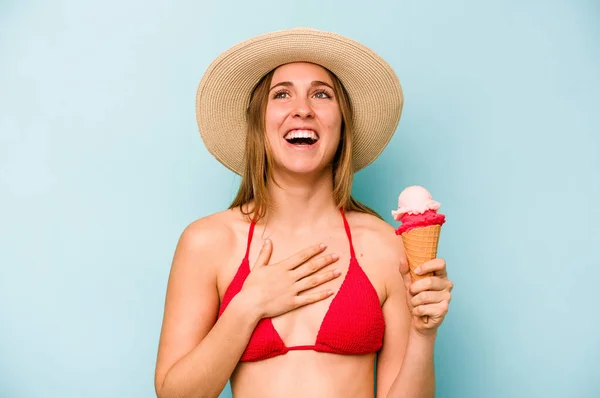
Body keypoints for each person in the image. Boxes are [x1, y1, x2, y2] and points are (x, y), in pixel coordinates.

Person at [154, 27, 453, 398]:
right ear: (258, 123)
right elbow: (174, 394)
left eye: (321, 95)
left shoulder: (384, 245)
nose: (302, 109)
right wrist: (248, 306)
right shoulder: (208, 242)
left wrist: (424, 334)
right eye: (282, 95)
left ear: (342, 124)